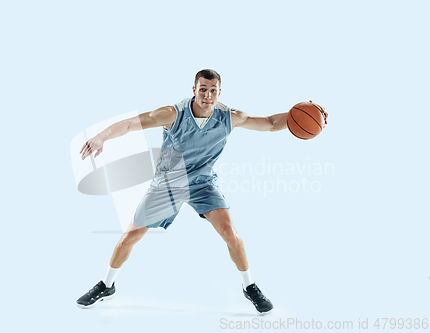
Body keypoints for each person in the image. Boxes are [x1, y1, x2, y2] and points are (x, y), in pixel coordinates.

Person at [77, 69, 328, 314]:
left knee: (230, 231)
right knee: (131, 235)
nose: (208, 95)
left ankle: (249, 286)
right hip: (169, 184)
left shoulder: (230, 117)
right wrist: (101, 137)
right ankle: (107, 284)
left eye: (213, 90)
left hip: (203, 183)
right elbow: (131, 124)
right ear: (194, 90)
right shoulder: (172, 114)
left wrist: (305, 111)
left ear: (219, 92)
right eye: (203, 89)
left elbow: (272, 124)